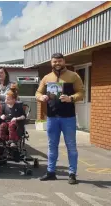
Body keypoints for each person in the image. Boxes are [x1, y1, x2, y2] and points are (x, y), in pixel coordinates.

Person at [36, 53, 84, 185]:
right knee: (52, 146)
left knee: (71, 146)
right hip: (52, 118)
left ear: (64, 61)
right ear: (51, 63)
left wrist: (71, 98)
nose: (57, 63)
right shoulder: (46, 78)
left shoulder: (73, 76)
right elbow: (38, 92)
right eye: (54, 61)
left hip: (68, 117)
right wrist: (41, 97)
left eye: (59, 61)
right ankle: (51, 172)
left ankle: (72, 173)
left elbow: (81, 92)